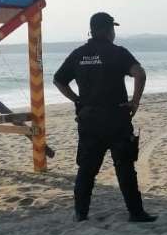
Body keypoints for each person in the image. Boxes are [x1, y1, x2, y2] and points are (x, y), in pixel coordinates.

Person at [53, 12, 157, 223]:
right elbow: (140, 73)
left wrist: (78, 100)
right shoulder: (117, 53)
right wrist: (135, 102)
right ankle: (136, 213)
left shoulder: (79, 54)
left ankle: (81, 213)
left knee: (87, 170)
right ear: (109, 30)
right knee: (125, 167)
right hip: (116, 118)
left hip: (89, 119)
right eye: (113, 29)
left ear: (92, 30)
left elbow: (58, 80)